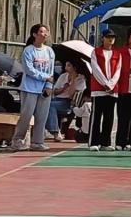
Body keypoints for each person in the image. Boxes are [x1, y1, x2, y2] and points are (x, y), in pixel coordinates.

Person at [11, 24, 56, 152]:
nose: (44, 34)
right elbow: (29, 69)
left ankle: (37, 142)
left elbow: (51, 70)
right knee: (26, 115)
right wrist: (44, 77)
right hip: (29, 88)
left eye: (46, 32)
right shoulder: (28, 50)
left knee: (42, 116)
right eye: (41, 32)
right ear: (34, 34)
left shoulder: (49, 51)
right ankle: (17, 140)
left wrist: (49, 85)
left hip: (44, 89)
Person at [88, 30, 122, 151]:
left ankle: (105, 143)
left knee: (109, 117)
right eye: (108, 37)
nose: (110, 39)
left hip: (112, 91)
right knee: (96, 116)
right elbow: (95, 69)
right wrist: (105, 83)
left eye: (112, 37)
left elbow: (118, 70)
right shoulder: (95, 52)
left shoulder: (117, 53)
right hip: (98, 90)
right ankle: (94, 142)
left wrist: (111, 84)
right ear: (102, 38)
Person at [47, 59, 87, 140]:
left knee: (50, 106)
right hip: (57, 99)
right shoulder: (63, 76)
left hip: (68, 102)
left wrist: (73, 80)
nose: (66, 68)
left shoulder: (81, 79)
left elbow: (71, 95)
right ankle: (48, 129)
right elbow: (55, 92)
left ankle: (55, 131)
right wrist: (63, 88)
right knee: (43, 105)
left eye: (68, 66)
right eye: (65, 65)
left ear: (74, 68)